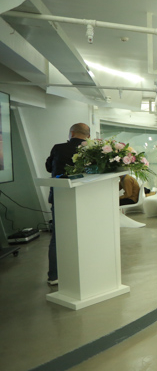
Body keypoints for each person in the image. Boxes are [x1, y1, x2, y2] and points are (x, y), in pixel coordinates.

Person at [45, 122, 91, 285]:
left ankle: (54, 276)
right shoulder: (92, 151)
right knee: (86, 234)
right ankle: (84, 271)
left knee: (58, 237)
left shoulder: (58, 148)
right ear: (88, 136)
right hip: (85, 198)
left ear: (71, 133)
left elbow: (48, 167)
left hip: (60, 197)